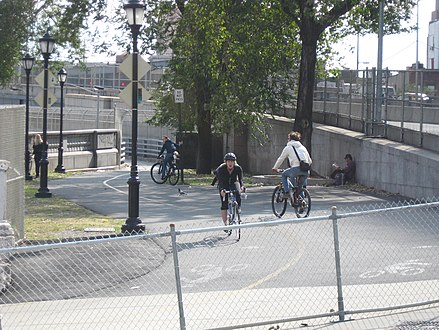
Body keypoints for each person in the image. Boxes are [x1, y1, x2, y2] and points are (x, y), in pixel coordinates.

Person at [272, 131, 312, 199]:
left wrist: (275, 167)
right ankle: (302, 202)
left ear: (290, 139)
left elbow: (281, 158)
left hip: (295, 170)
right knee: (300, 187)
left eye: (288, 138)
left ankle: (287, 192)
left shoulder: (288, 147)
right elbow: (310, 161)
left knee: (284, 175)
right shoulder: (303, 148)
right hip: (306, 171)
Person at [213, 152, 245, 227]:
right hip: (224, 184)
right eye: (228, 161)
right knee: (224, 204)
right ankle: (225, 224)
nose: (230, 163)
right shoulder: (221, 169)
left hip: (233, 182)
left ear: (234, 162)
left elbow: (240, 180)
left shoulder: (238, 168)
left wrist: (242, 187)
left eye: (232, 161)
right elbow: (220, 182)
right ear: (226, 162)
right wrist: (222, 190)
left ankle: (238, 209)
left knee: (238, 194)